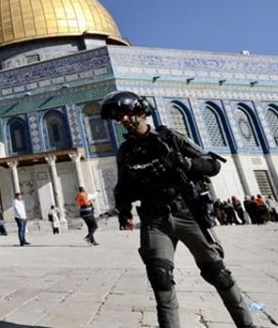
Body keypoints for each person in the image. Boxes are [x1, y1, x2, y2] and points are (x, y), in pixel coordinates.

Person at [101, 91, 254, 328]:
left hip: (187, 213)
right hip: (155, 219)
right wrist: (124, 209)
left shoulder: (170, 138)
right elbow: (123, 186)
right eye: (118, 117)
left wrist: (186, 163)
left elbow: (212, 164)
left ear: (141, 111)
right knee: (160, 277)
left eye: (125, 113)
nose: (123, 120)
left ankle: (247, 324)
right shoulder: (126, 152)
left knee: (217, 274)